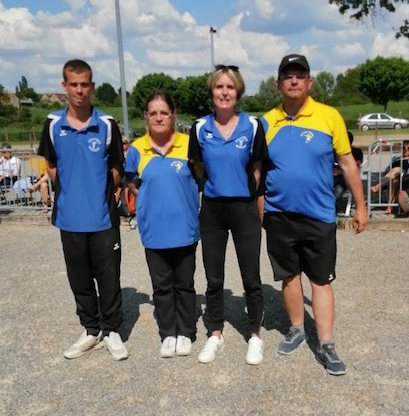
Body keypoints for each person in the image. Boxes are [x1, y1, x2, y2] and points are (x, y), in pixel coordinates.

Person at [260, 54, 368, 375]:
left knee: (320, 279)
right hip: (279, 216)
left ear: (309, 82)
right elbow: (256, 171)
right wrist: (259, 206)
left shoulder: (329, 116)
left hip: (319, 215)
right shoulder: (266, 122)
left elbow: (348, 163)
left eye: (300, 75)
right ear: (278, 83)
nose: (293, 80)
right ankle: (296, 328)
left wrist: (361, 206)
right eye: (287, 76)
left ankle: (326, 342)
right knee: (289, 276)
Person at [37, 59, 128, 361]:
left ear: (92, 85)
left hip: (102, 218)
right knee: (79, 279)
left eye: (84, 84)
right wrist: (73, 188)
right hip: (69, 218)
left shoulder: (106, 125)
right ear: (64, 86)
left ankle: (112, 330)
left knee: (109, 277)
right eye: (73, 84)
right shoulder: (52, 125)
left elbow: (117, 167)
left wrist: (97, 188)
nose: (79, 90)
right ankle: (91, 330)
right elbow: (50, 166)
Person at [188, 64, 267, 365]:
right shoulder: (199, 127)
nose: (224, 92)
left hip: (244, 208)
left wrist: (251, 197)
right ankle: (215, 333)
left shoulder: (254, 126)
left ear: (238, 92)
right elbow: (197, 166)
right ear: (212, 91)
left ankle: (255, 335)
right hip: (213, 209)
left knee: (251, 275)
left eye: (230, 87)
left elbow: (258, 166)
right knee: (213, 275)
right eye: (219, 87)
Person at [124, 92, 200, 358]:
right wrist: (148, 200)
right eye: (153, 113)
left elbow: (201, 178)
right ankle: (168, 333)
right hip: (154, 231)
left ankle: (187, 331)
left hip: (185, 229)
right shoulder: (136, 149)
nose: (158, 117)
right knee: (162, 286)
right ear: (146, 116)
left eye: (163, 112)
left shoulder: (190, 144)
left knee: (185, 284)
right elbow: (131, 182)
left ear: (173, 115)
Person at [371, 140, 409, 214]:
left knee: (396, 169)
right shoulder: (396, 158)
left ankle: (378, 186)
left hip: (404, 176)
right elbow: (387, 169)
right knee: (393, 181)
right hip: (392, 177)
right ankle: (389, 207)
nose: (406, 150)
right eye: (404, 147)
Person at [333, 130, 364, 212]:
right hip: (331, 175)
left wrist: (340, 171)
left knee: (338, 189)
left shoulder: (356, 152)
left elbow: (357, 165)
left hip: (346, 176)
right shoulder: (333, 151)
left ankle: (331, 208)